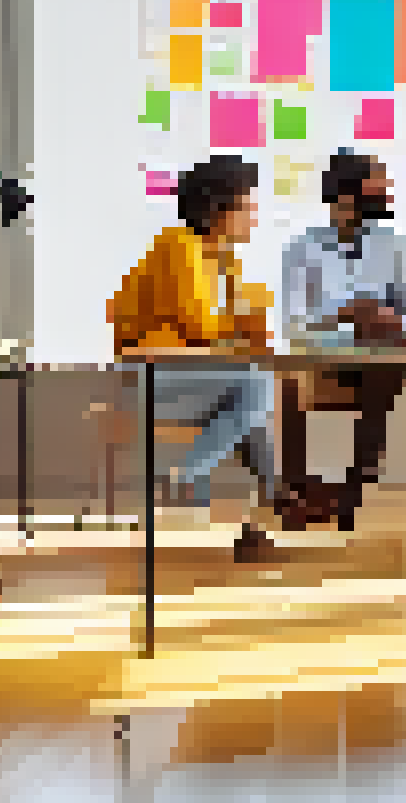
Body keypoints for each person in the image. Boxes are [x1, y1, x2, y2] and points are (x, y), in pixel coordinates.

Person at [107, 154, 283, 561]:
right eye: (247, 206)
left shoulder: (223, 260)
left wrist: (246, 321)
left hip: (187, 374)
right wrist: (247, 324)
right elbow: (206, 329)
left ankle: (269, 512)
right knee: (256, 384)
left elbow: (234, 333)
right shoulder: (179, 246)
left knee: (258, 402)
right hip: (145, 377)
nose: (254, 216)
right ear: (218, 210)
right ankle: (191, 476)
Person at [278, 152, 406, 531]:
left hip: (378, 355)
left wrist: (402, 323)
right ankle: (344, 488)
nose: (387, 192)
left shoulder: (392, 244)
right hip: (323, 358)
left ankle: (350, 488)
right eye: (377, 183)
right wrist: (348, 316)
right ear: (347, 194)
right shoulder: (303, 249)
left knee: (389, 354)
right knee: (380, 359)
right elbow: (292, 327)